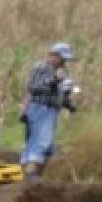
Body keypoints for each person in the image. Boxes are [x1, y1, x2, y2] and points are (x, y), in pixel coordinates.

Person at [20, 41, 77, 180]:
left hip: (51, 110)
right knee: (40, 142)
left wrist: (67, 103)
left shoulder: (60, 71)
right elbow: (34, 88)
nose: (64, 62)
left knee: (48, 148)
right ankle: (31, 175)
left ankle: (34, 176)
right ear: (54, 56)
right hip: (40, 108)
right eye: (62, 58)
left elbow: (59, 91)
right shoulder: (42, 67)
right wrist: (55, 80)